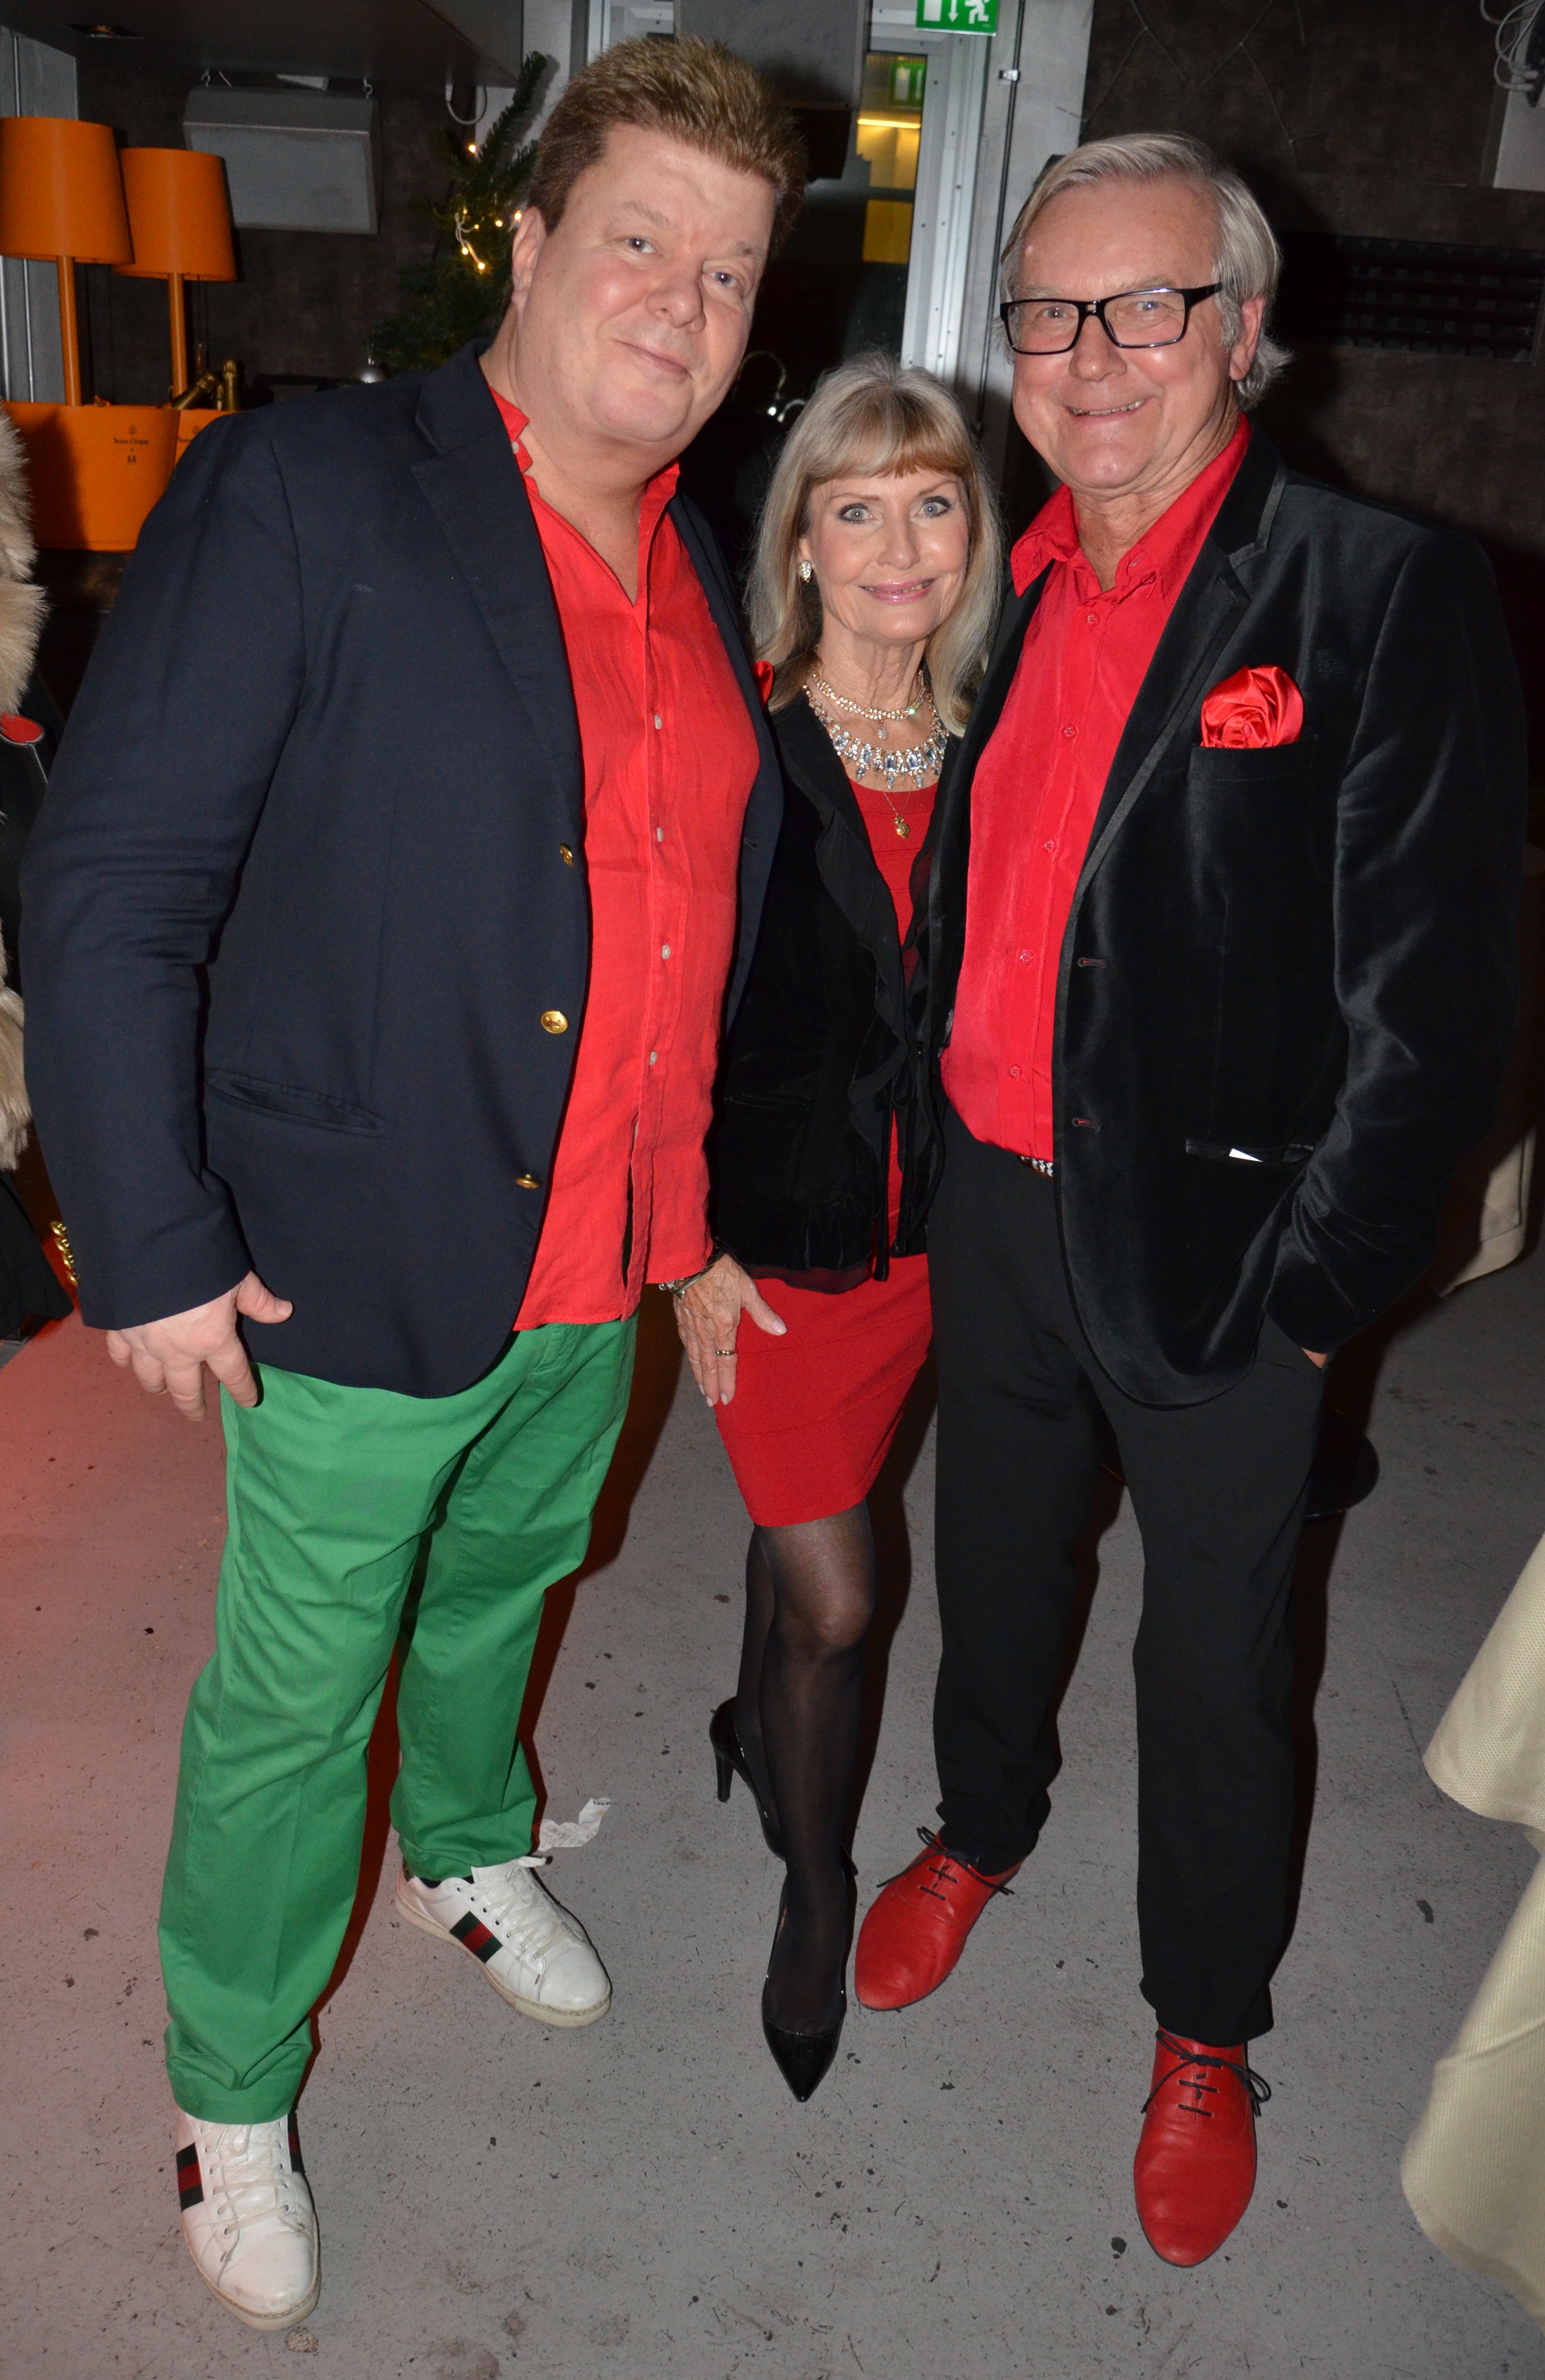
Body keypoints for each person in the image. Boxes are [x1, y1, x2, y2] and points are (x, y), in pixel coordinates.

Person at [21, 37, 801, 2333]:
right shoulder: (310, 487)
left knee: (506, 1592)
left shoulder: (702, 560)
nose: (683, 301)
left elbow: (680, 914)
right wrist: (149, 1237)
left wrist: (698, 1225)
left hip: (604, 1254)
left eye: (731, 272)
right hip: (348, 1257)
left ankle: (466, 1844)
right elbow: (111, 884)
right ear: (529, 249)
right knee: (297, 1699)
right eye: (641, 239)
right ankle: (232, 2085)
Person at [851, 133, 1526, 2267]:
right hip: (993, 1197)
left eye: (1147, 306)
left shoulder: (1375, 590)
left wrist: (1321, 1291)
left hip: (1231, 1251)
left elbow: (1440, 1010)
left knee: (1217, 1661)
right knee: (994, 1554)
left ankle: (1208, 2023)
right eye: (1051, 313)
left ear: (1243, 329)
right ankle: (979, 1824)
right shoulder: (990, 577)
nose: (1093, 354)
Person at [673, 356, 998, 2102]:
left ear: (973, 534)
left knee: (814, 1533)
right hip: (772, 1253)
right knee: (845, 1594)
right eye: (855, 507)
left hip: (941, 1237)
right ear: (800, 541)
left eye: (932, 503)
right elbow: (659, 1006)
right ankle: (816, 1892)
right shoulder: (739, 739)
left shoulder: (994, 739)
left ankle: (751, 1716)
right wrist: (680, 1242)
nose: (898, 544)